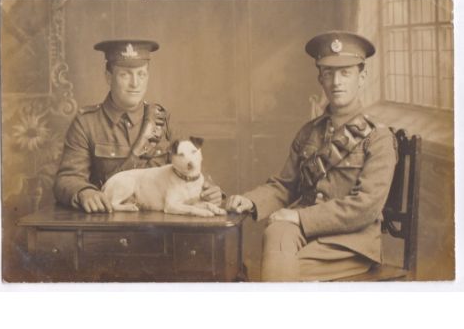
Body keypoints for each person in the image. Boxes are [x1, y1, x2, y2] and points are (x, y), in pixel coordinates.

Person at [226, 31, 397, 281]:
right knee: (276, 232)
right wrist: (251, 201)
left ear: (362, 78)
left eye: (345, 73)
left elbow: (365, 207)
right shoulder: (309, 132)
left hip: (350, 244)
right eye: (329, 73)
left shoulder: (378, 138)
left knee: (277, 272)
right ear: (321, 79)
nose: (337, 81)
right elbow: (285, 186)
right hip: (307, 235)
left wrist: (298, 216)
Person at [54, 39, 222, 213]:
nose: (135, 83)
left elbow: (191, 165)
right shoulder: (87, 123)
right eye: (125, 74)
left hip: (160, 227)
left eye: (141, 74)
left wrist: (210, 190)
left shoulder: (164, 120)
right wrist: (84, 192)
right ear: (108, 77)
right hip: (108, 223)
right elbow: (67, 178)